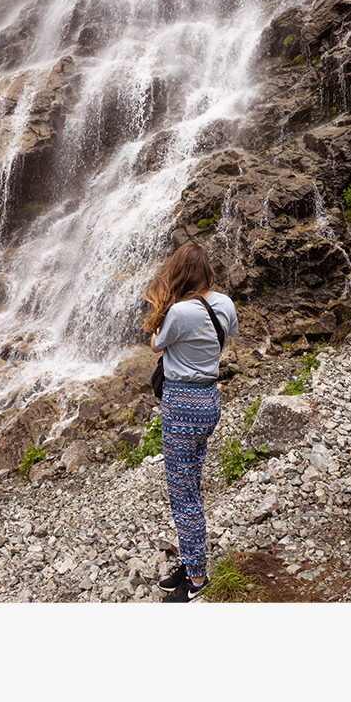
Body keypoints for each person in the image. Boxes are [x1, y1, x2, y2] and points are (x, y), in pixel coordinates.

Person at [143, 242, 238, 602]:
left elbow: (156, 344)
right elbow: (225, 334)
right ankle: (190, 559)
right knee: (191, 484)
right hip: (209, 400)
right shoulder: (225, 304)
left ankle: (197, 579)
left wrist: (162, 306)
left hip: (182, 405)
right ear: (207, 271)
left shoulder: (179, 312)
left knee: (183, 495)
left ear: (178, 272)